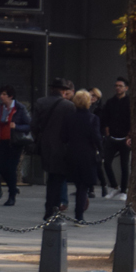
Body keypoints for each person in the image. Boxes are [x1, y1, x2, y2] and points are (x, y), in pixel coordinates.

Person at [33, 78, 76, 220]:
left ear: (52, 89)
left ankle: (49, 209)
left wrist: (39, 139)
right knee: (58, 179)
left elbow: (33, 126)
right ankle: (55, 208)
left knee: (51, 178)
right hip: (62, 147)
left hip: (46, 146)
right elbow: (71, 129)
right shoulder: (69, 106)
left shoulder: (40, 102)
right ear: (63, 91)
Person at [61, 89, 103, 224]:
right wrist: (101, 151)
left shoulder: (69, 118)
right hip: (87, 154)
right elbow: (96, 137)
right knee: (83, 187)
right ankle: (79, 215)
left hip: (72, 153)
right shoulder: (93, 118)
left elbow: (64, 137)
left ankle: (77, 212)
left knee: (78, 185)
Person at [0, 85, 31, 206]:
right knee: (0, 168)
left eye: (4, 94)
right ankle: (13, 186)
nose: (1, 96)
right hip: (1, 142)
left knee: (11, 168)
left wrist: (17, 126)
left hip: (14, 143)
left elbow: (28, 125)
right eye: (1, 94)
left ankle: (12, 195)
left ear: (10, 96)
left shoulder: (20, 108)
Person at [100, 77, 131, 200]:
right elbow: (105, 118)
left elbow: (133, 119)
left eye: (120, 86)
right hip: (112, 137)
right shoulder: (110, 102)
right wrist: (107, 133)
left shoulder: (130, 102)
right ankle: (115, 187)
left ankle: (124, 190)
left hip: (125, 138)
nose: (117, 88)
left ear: (126, 88)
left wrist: (130, 134)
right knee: (106, 163)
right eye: (116, 85)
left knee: (124, 165)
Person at [88, 87, 106, 196]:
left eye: (94, 96)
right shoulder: (85, 107)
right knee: (88, 164)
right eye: (90, 95)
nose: (91, 98)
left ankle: (103, 185)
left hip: (97, 137)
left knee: (97, 164)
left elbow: (102, 125)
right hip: (87, 138)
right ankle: (90, 189)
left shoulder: (100, 110)